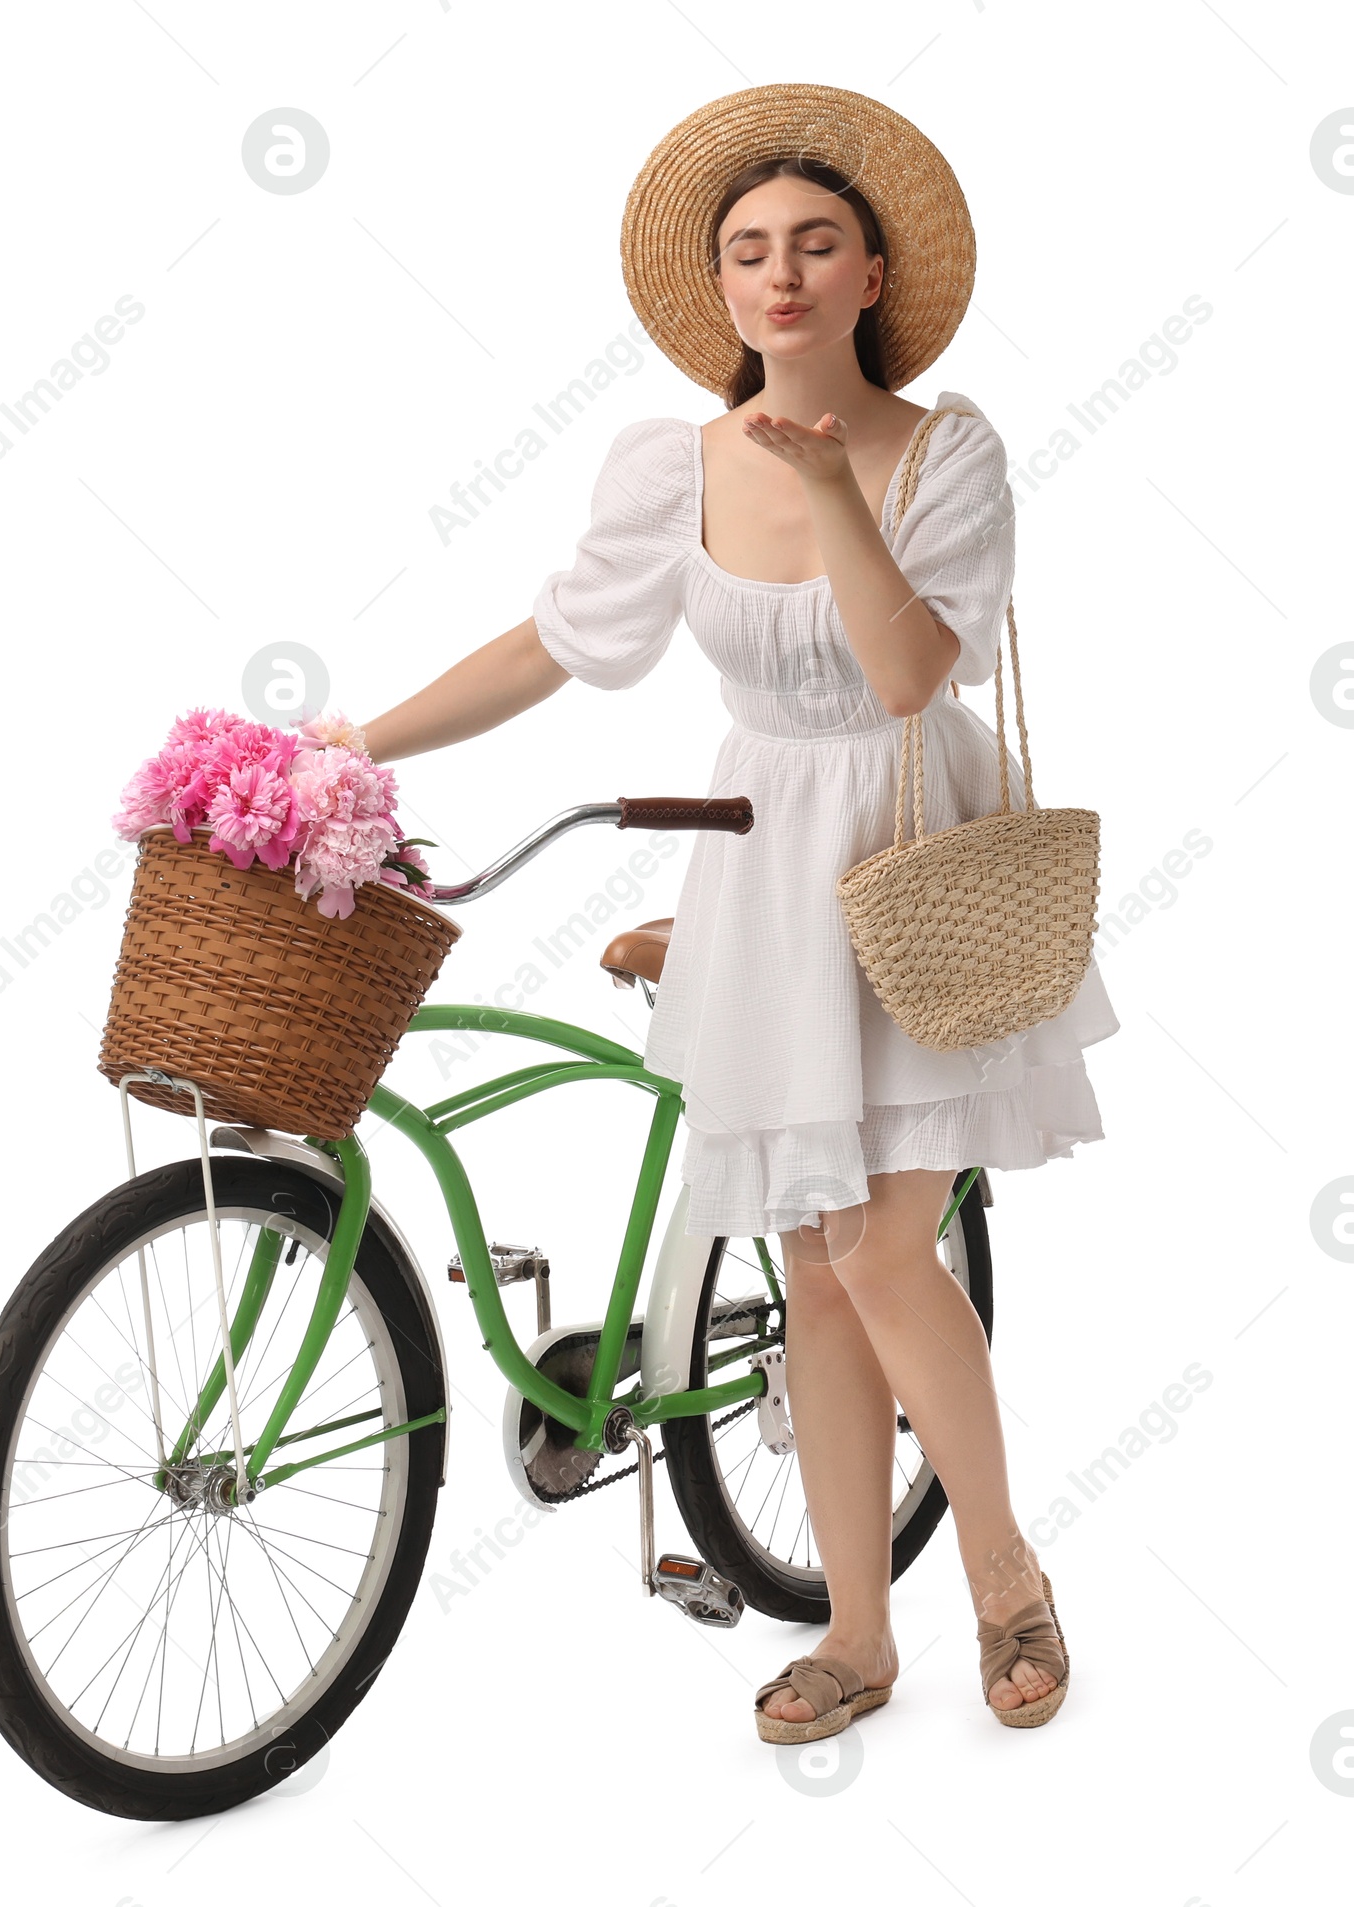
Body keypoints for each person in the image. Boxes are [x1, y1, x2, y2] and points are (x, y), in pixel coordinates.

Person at [358, 84, 1118, 1740]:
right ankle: (859, 1635)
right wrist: (358, 739)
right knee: (814, 1266)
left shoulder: (946, 448)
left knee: (879, 1240)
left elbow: (917, 673)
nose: (780, 277)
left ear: (869, 278)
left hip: (915, 848)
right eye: (750, 252)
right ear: (722, 289)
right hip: (764, 854)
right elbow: (553, 645)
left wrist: (837, 487)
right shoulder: (672, 463)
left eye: (815, 248)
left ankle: (1004, 1575)